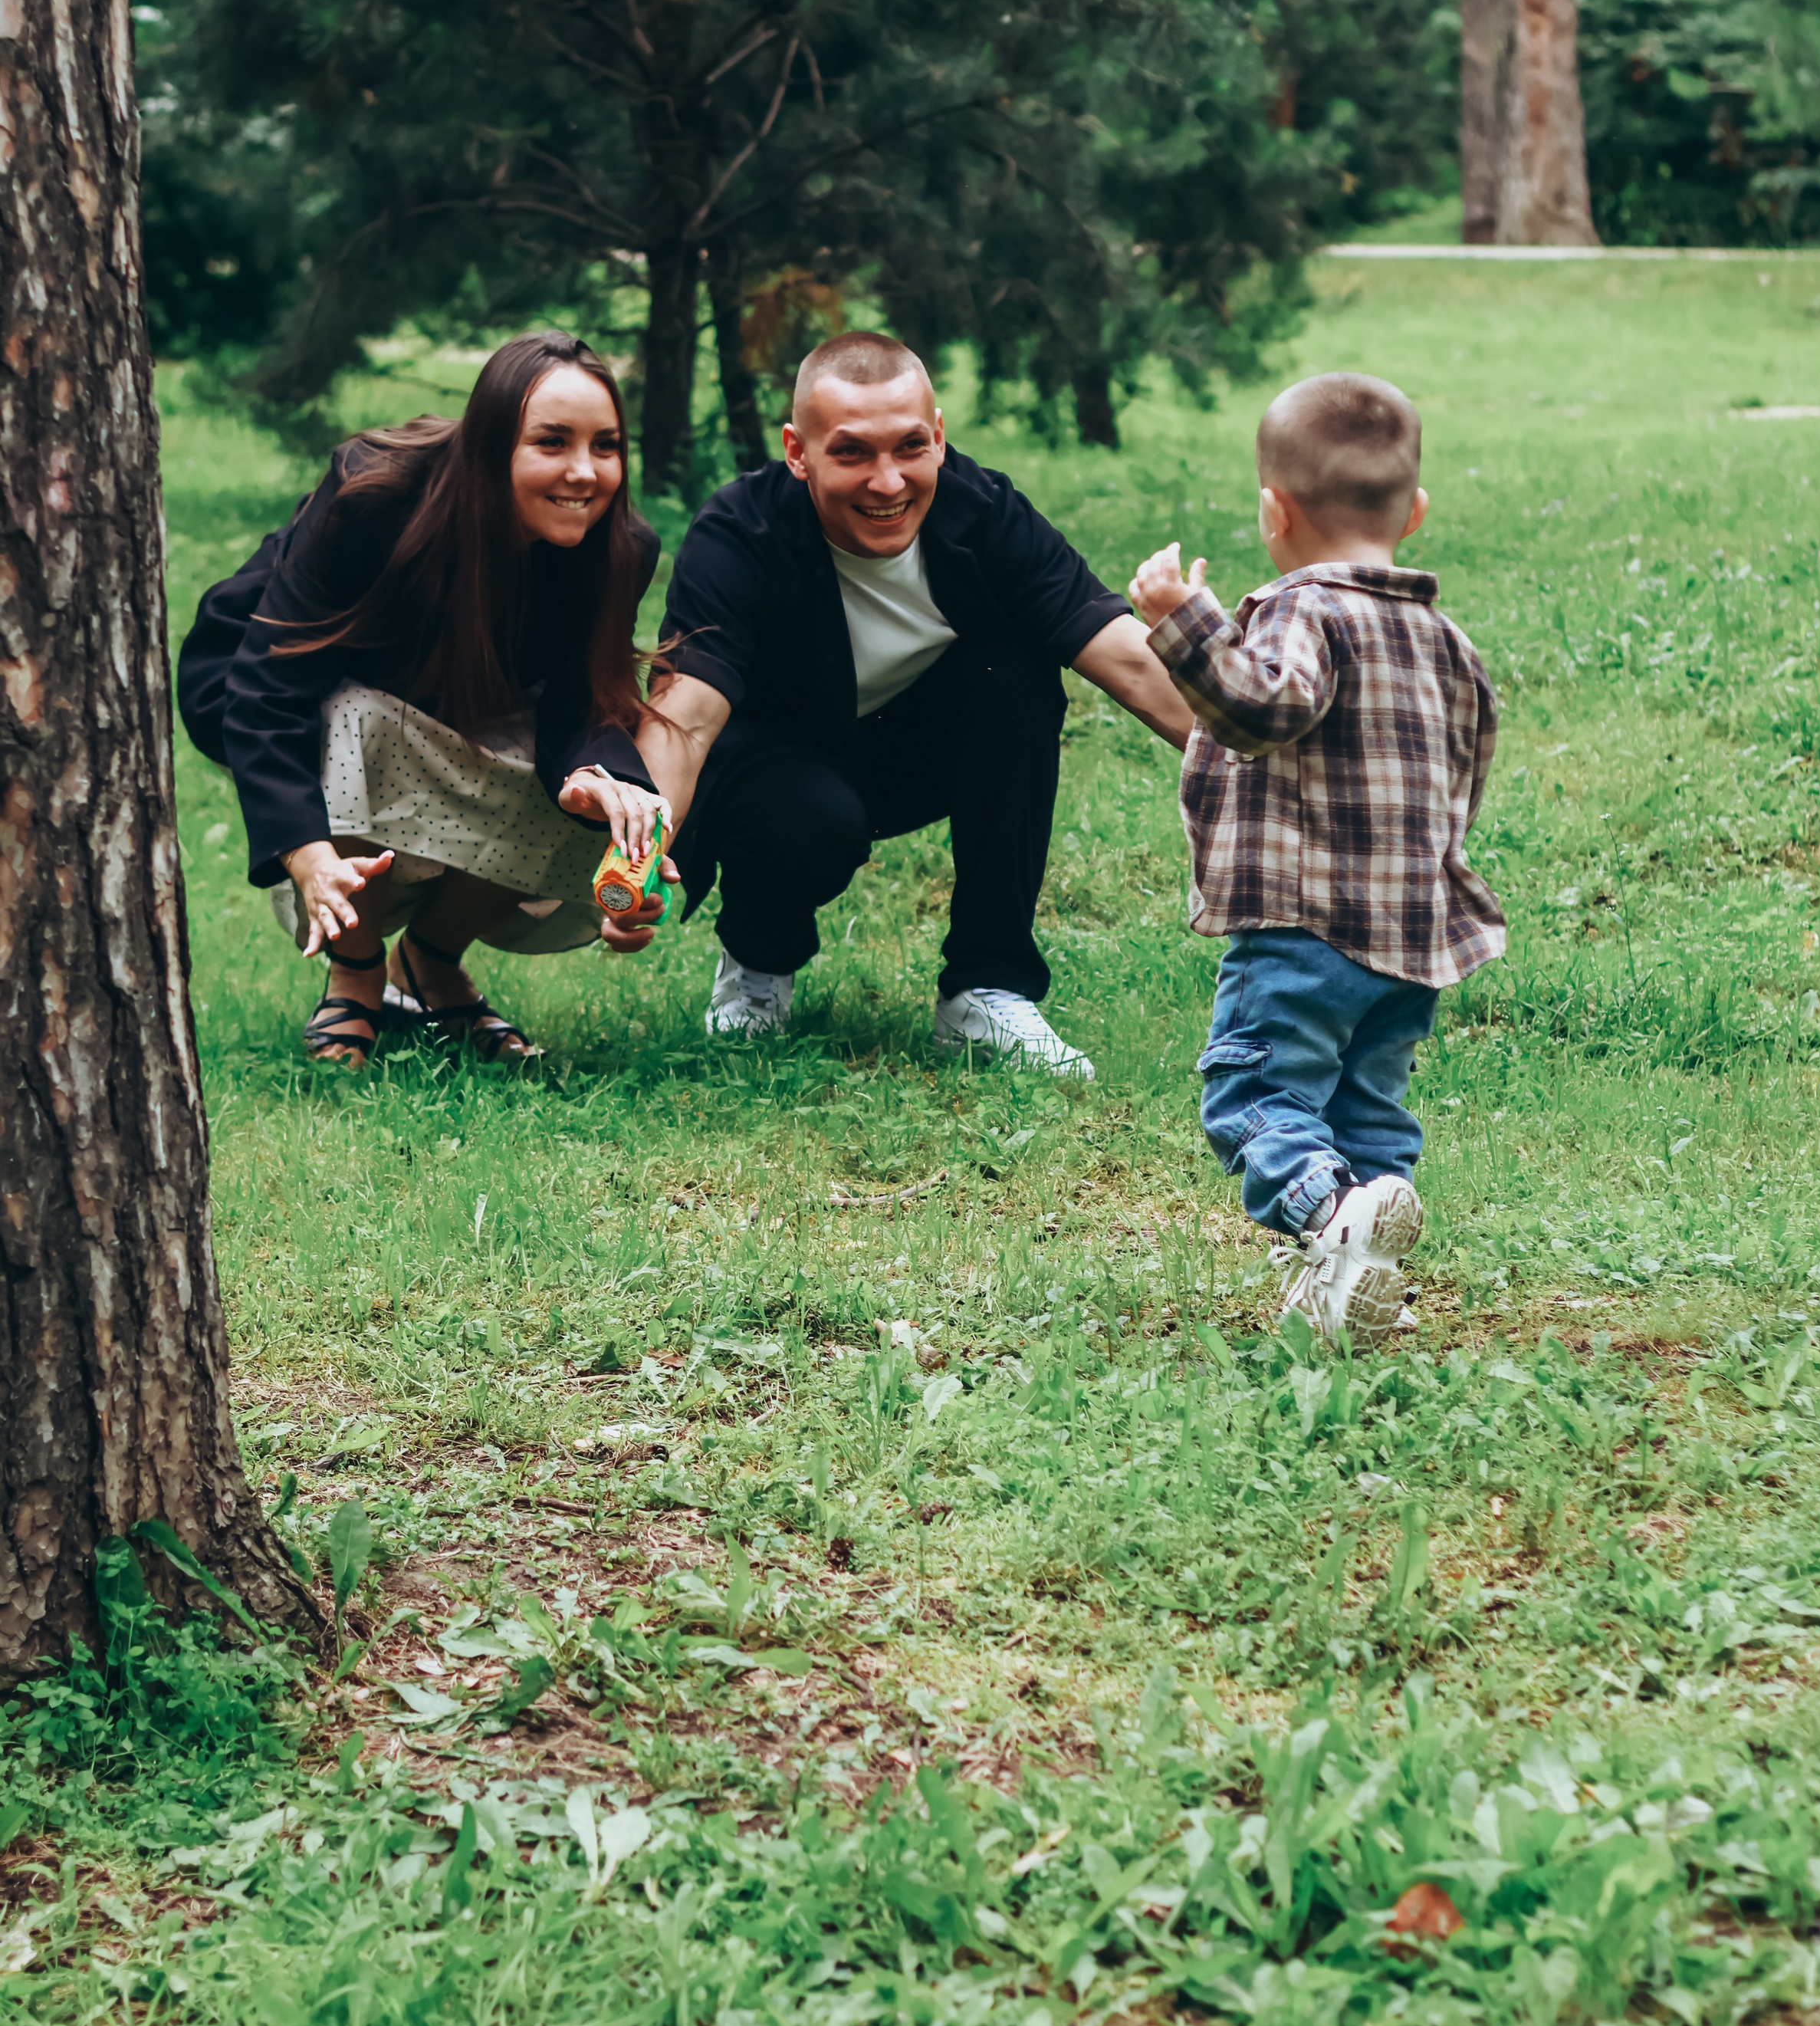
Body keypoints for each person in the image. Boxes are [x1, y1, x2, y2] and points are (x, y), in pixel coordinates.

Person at [640, 332, 1193, 1075]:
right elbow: (688, 713)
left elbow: (1125, 657)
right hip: (776, 771)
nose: (888, 481)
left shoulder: (984, 513)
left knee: (1015, 676)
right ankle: (757, 968)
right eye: (852, 453)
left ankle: (985, 990)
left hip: (909, 754)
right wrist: (636, 853)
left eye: (908, 447)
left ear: (938, 437)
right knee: (808, 820)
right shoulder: (740, 533)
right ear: (797, 452)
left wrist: (1274, 765)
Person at [1127, 370, 1505, 1343]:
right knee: (1365, 1116)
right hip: (1410, 936)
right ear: (1413, 512)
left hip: (1303, 925)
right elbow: (1466, 769)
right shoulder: (1447, 640)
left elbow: (1262, 710)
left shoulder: (1305, 610)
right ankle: (1355, 1279)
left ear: (1272, 510)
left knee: (1254, 1093)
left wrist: (1182, 617)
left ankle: (1327, 1218)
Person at [178, 333, 675, 1071]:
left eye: (607, 446)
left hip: (461, 696)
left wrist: (610, 792)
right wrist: (308, 855)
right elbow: (268, 689)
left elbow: (578, 707)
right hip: (280, 684)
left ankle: (433, 961)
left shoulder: (620, 546)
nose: (584, 471)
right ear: (488, 445)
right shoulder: (370, 495)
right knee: (361, 719)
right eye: (551, 442)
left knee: (589, 788)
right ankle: (355, 973)